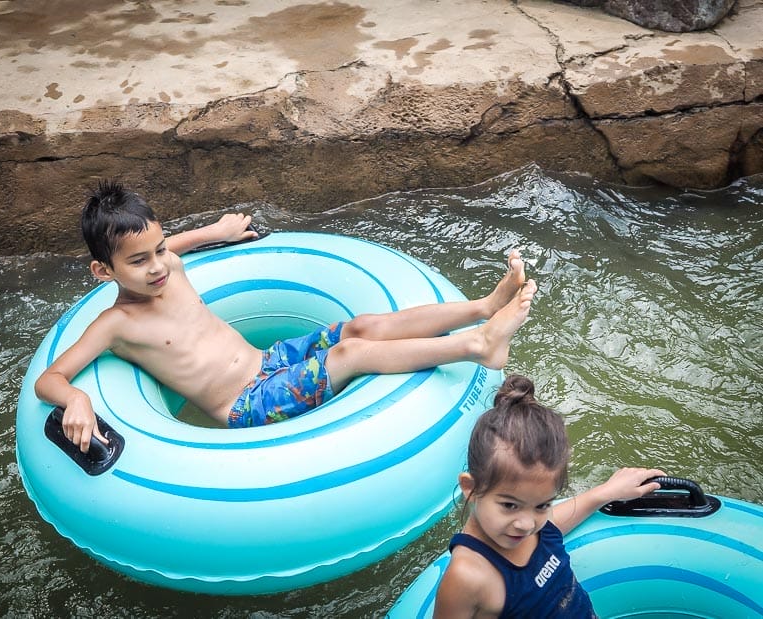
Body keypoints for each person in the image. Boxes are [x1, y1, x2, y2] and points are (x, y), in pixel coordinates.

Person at [35, 180, 537, 452]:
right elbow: (50, 378)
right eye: (139, 262)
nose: (158, 266)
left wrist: (217, 230)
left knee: (360, 324)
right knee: (350, 352)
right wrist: (76, 397)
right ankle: (477, 345)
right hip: (247, 404)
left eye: (160, 250)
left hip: (270, 359)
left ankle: (483, 307)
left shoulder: (171, 264)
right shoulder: (115, 325)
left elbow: (172, 247)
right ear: (103, 271)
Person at [433, 374, 666, 618]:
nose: (527, 524)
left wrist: (606, 492)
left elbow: (553, 522)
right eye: (509, 505)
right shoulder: (468, 576)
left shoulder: (533, 525)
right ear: (471, 488)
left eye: (542, 505)